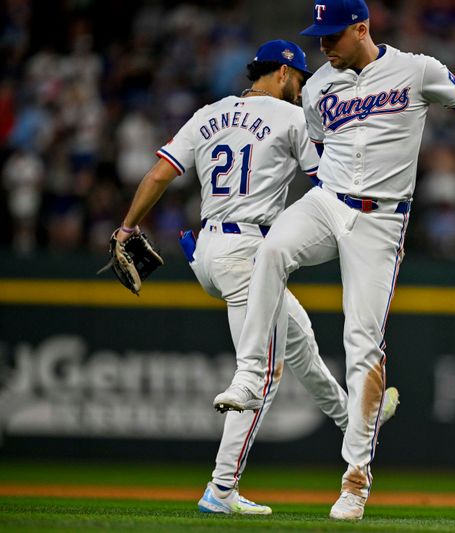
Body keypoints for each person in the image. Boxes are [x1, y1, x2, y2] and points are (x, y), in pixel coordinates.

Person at [218, 0, 455, 520]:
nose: (321, 45)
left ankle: (355, 480)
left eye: (331, 35)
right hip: (329, 200)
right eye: (318, 35)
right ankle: (250, 375)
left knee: (362, 342)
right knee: (272, 248)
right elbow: (321, 150)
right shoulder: (320, 86)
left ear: (361, 29)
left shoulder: (416, 69)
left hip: (382, 219)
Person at [113, 39, 399, 516]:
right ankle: (220, 490)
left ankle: (354, 419)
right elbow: (325, 183)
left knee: (301, 341)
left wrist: (126, 227)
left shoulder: (208, 113)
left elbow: (161, 173)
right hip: (248, 252)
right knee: (262, 375)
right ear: (285, 75)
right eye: (301, 80)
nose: (302, 89)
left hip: (207, 250)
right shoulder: (291, 118)